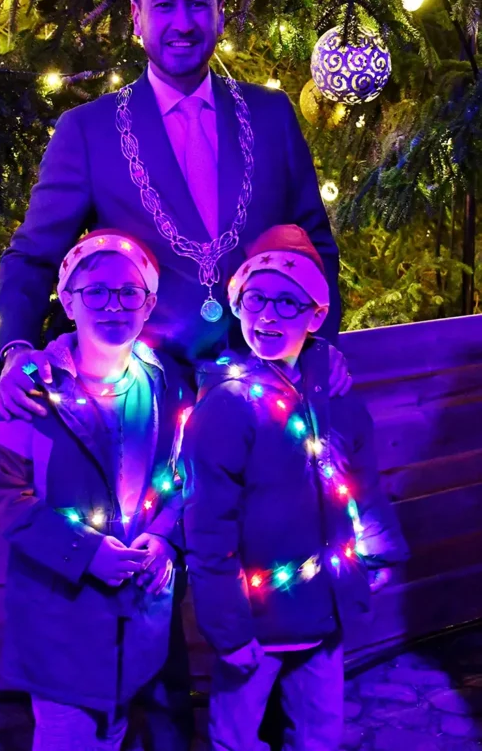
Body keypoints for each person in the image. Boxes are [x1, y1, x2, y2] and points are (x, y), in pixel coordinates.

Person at [0, 0, 351, 750]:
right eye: (165, 5)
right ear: (137, 18)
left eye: (199, 4)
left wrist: (322, 344)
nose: (183, 21)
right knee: (149, 578)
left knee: (263, 578)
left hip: (258, 400)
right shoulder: (89, 130)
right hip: (147, 404)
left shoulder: (271, 115)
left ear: (220, 13)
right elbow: (33, 255)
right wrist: (14, 348)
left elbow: (316, 243)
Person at [182, 224, 409, 751]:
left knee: (319, 731)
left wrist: (376, 552)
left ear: (316, 314)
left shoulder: (334, 396)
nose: (268, 315)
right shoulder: (226, 406)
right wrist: (227, 627)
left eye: (288, 302)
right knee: (235, 737)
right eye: (256, 299)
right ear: (238, 306)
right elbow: (207, 527)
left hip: (321, 609)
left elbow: (362, 481)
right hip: (255, 618)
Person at [0, 231, 190, 751]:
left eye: (128, 293)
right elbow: (4, 491)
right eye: (95, 292)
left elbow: (179, 476)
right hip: (61, 617)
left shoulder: (163, 383)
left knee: (114, 728)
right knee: (68, 734)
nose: (112, 305)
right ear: (69, 302)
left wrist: (165, 537)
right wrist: (83, 551)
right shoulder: (32, 388)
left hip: (136, 616)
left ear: (149, 304)